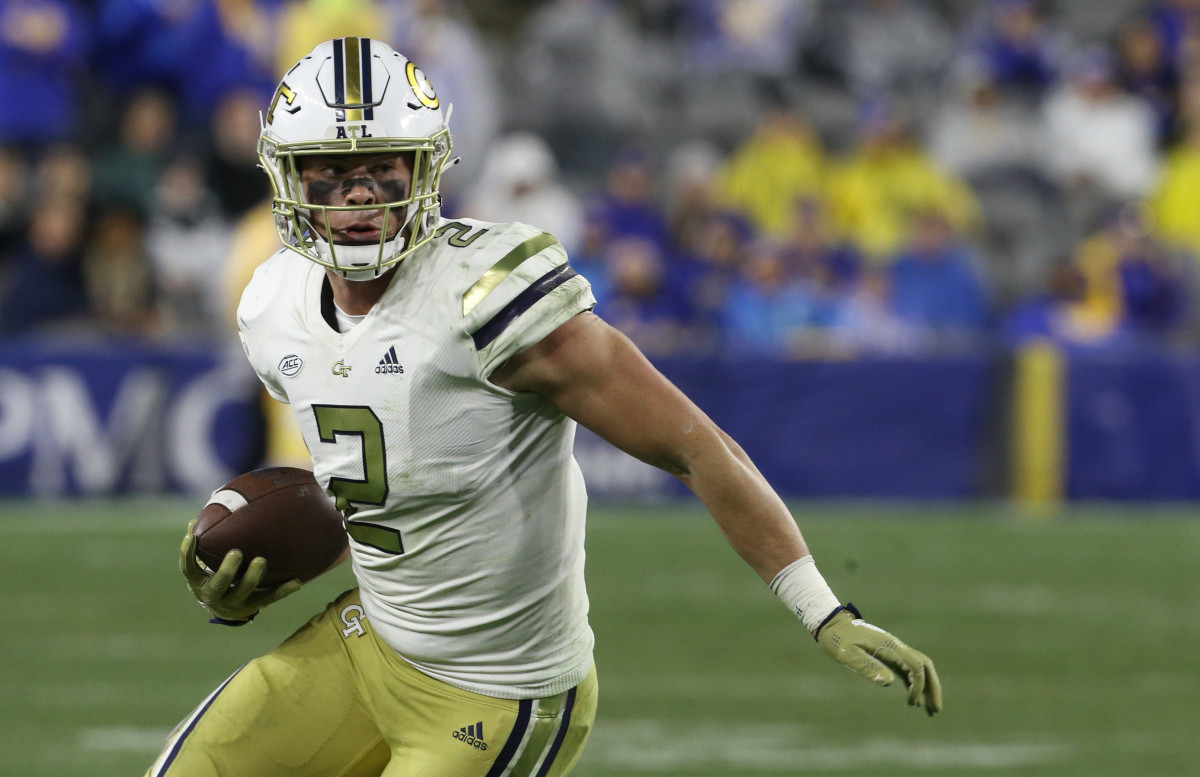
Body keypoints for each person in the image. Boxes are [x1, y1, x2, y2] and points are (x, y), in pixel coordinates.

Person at [148, 38, 942, 777]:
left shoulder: (487, 298)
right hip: (369, 641)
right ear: (287, 176)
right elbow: (388, 494)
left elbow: (697, 447)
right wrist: (272, 562)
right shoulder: (274, 305)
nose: (358, 193)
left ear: (425, 168)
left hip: (496, 692)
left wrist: (821, 607)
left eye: (383, 166)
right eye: (329, 169)